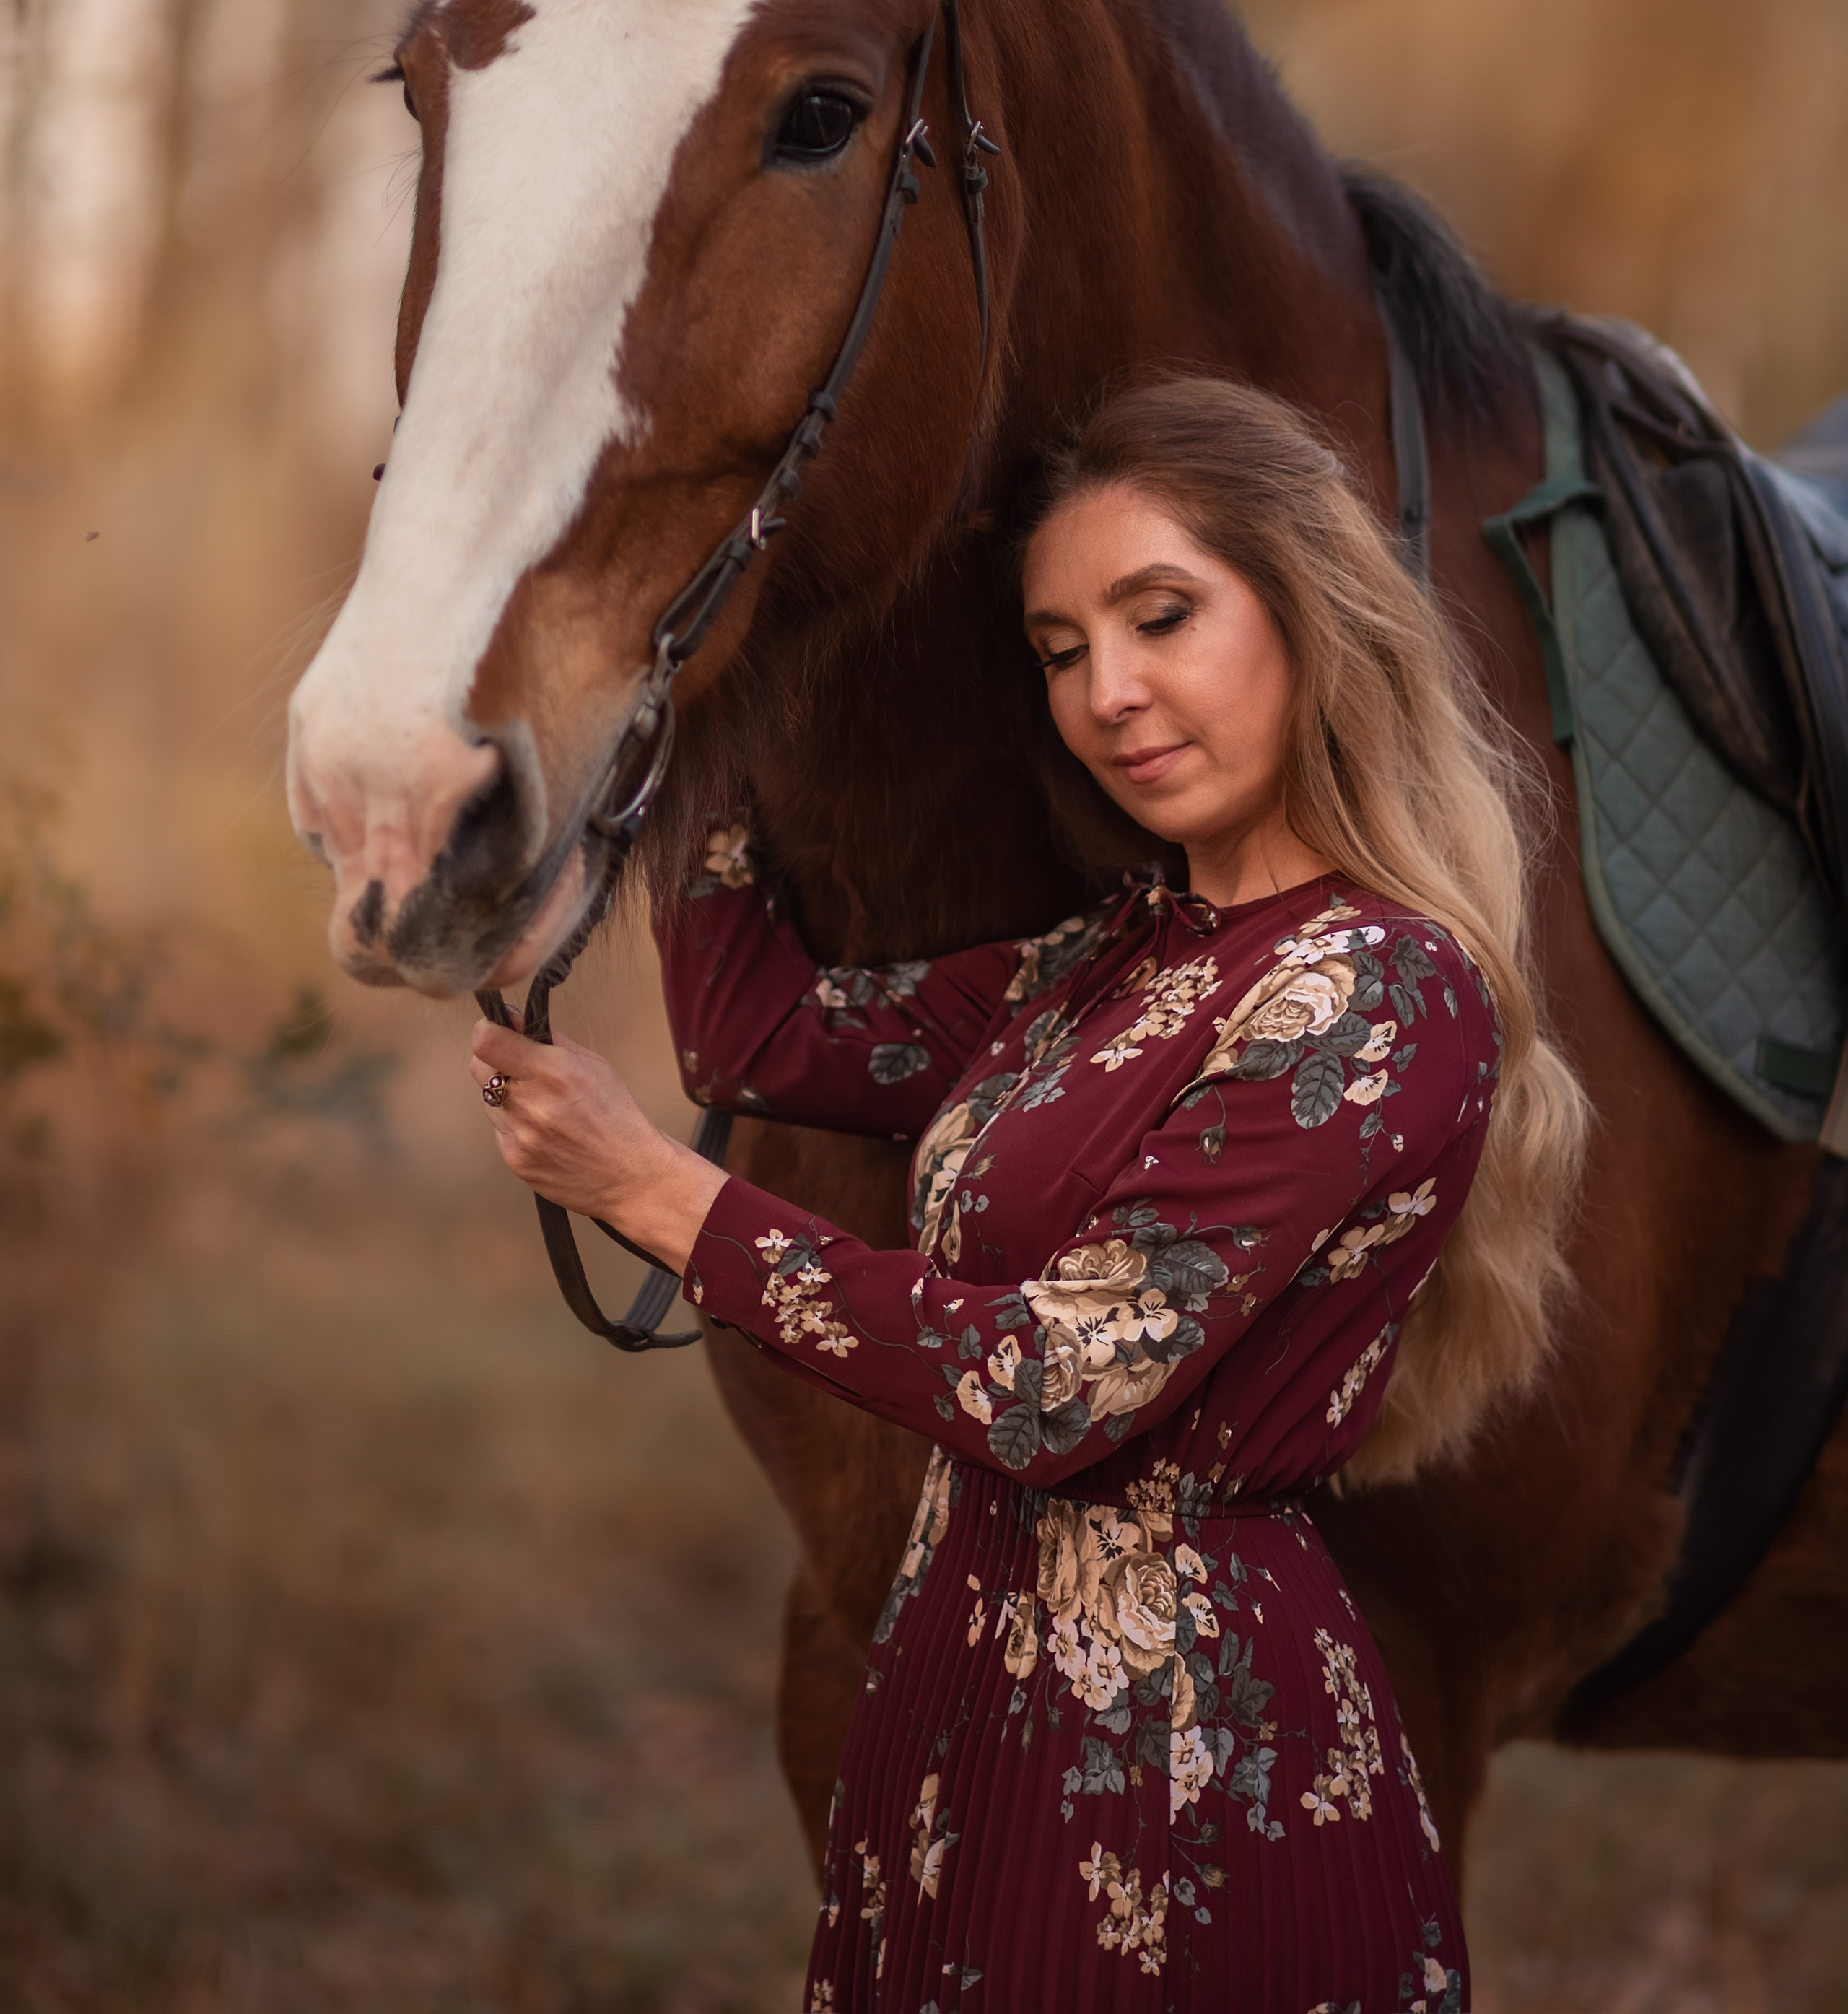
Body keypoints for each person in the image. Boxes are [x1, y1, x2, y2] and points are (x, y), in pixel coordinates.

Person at [468, 376, 1587, 2011]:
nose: (1108, 693)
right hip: (966, 1709)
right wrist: (696, 702)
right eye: (1061, 650)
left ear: (1309, 618)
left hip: (1181, 1767)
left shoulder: (1372, 990)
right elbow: (760, 1030)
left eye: (1159, 616)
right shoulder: (1108, 959)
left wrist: (652, 1190)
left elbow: (1049, 1385)